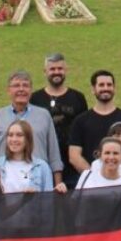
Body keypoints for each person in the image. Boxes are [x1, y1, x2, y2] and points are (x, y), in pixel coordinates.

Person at [0, 70, 64, 187]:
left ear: (31, 90)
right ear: (9, 90)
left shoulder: (43, 115)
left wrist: (58, 185)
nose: (21, 89)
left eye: (25, 85)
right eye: (16, 85)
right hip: (4, 184)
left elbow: (54, 155)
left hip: (37, 181)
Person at [69, 70, 121, 181]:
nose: (105, 88)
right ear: (93, 89)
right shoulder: (80, 120)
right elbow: (74, 156)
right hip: (93, 184)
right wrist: (96, 177)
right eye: (101, 85)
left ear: (114, 88)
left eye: (109, 85)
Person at [30, 53, 89, 189]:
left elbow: (83, 130)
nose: (56, 72)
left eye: (60, 69)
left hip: (72, 164)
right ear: (45, 72)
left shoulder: (78, 97)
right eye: (52, 69)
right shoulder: (35, 99)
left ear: (66, 70)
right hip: (43, 162)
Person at [0, 120, 64, 194]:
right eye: (10, 135)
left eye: (19, 135)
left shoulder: (42, 167)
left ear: (28, 139)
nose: (14, 139)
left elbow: (47, 201)